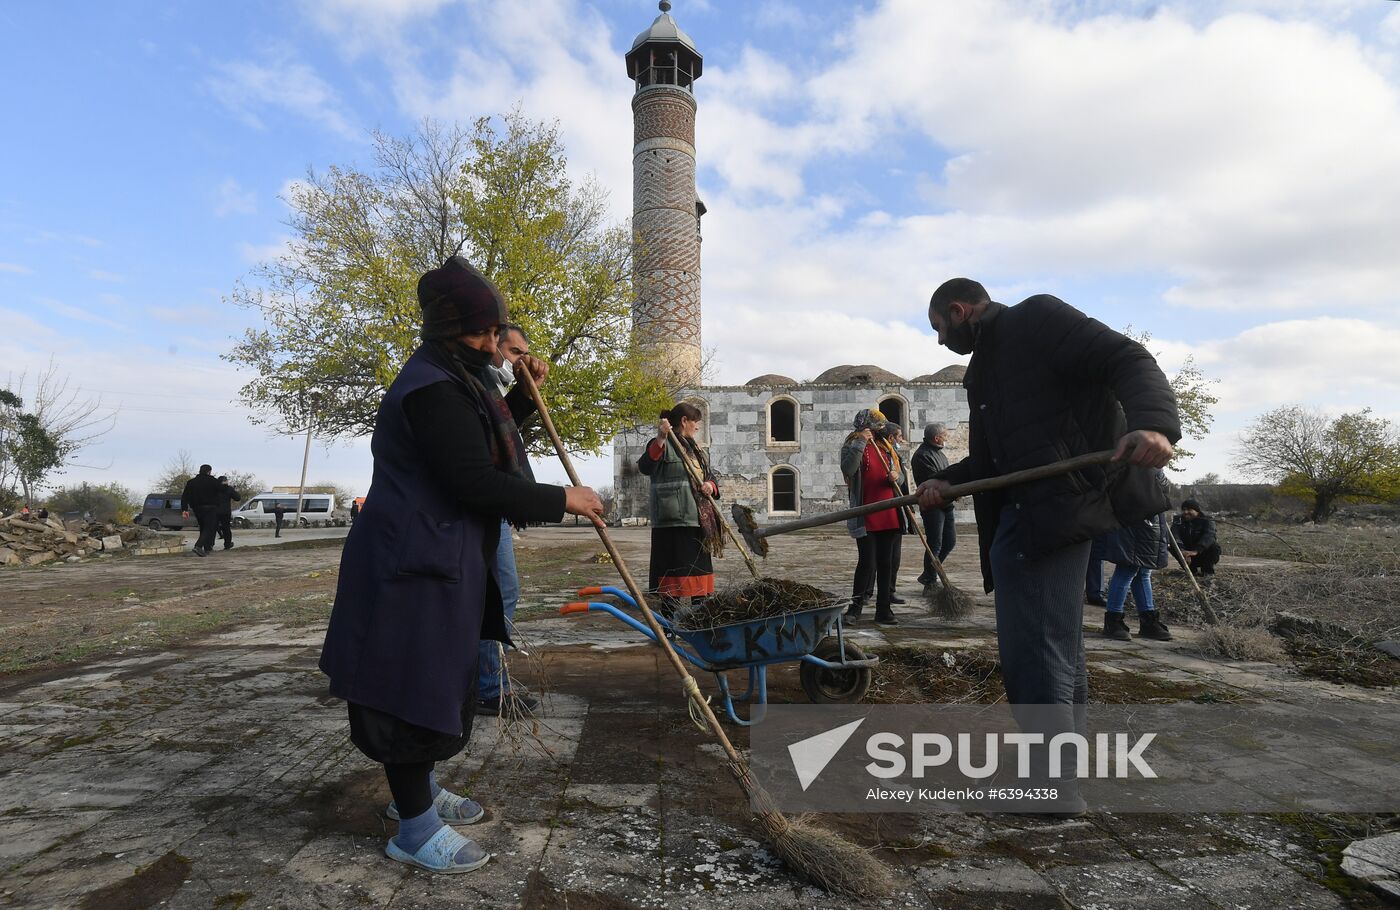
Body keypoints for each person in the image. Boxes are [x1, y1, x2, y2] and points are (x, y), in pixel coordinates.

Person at [319, 255, 604, 875]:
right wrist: (563, 499)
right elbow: (471, 479)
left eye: (496, 331)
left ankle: (416, 793)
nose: (493, 344)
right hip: (410, 563)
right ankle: (414, 828)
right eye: (482, 332)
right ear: (447, 330)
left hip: (436, 553)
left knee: (435, 678)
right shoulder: (432, 389)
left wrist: (522, 398)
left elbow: (477, 445)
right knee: (408, 686)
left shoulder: (457, 378)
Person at [916, 279, 1177, 811]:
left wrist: (1154, 424)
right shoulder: (986, 368)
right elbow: (996, 460)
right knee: (1056, 649)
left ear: (959, 310)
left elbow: (1127, 358)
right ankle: (1059, 777)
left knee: (1035, 652)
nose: (940, 341)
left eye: (939, 328)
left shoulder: (1035, 319)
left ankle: (1051, 786)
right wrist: (948, 481)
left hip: (1052, 511)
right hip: (1031, 511)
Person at [476, 322, 539, 718]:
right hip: (484, 506)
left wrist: (527, 392)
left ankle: (482, 681)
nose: (521, 361)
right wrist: (554, 501)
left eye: (525, 354)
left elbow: (504, 430)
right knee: (500, 594)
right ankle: (487, 686)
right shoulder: (477, 380)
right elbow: (487, 447)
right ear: (492, 345)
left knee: (499, 594)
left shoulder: (494, 387)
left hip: (494, 508)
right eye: (515, 352)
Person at [638, 401, 722, 608]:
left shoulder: (697, 450)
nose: (698, 427)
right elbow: (646, 466)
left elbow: (710, 476)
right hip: (672, 523)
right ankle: (669, 621)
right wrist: (661, 437)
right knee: (672, 581)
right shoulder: (663, 444)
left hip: (698, 522)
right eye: (695, 422)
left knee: (700, 579)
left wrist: (710, 486)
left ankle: (699, 618)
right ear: (684, 421)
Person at [841, 408, 908, 625]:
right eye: (876, 426)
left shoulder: (886, 446)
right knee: (867, 562)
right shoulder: (852, 444)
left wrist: (896, 477)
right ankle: (855, 608)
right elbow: (849, 469)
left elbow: (902, 476)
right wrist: (861, 441)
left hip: (889, 511)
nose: (880, 429)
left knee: (886, 563)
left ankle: (884, 609)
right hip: (866, 512)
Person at [1101, 479, 1172, 641]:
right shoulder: (1130, 466)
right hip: (1132, 519)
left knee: (1144, 571)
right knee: (1127, 568)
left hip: (1151, 521)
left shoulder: (1154, 469)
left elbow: (1163, 488)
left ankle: (1148, 620)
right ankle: (1113, 620)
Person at [912, 423, 957, 585]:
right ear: (936, 438)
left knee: (950, 541)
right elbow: (933, 479)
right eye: (945, 435)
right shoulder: (921, 456)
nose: (947, 438)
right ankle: (930, 580)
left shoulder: (939, 453)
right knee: (935, 544)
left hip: (947, 503)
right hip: (932, 505)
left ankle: (928, 573)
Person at [1172, 498, 1220, 581]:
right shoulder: (1178, 520)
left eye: (1189, 509)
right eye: (1184, 510)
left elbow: (1209, 536)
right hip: (1186, 554)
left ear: (1197, 511)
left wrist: (1196, 550)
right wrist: (1181, 550)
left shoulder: (1207, 520)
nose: (1186, 512)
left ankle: (1207, 572)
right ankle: (1191, 570)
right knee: (1172, 546)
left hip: (1201, 552)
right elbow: (1174, 535)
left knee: (1214, 546)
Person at [180, 465, 223, 557]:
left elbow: (185, 497)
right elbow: (222, 490)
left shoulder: (191, 482)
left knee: (203, 527)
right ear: (209, 471)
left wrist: (184, 509)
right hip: (210, 508)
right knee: (209, 527)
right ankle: (198, 546)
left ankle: (206, 548)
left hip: (197, 508)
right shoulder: (213, 481)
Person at [216, 475, 240, 551]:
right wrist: (235, 491)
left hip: (215, 511)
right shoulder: (229, 489)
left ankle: (209, 545)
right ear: (225, 481)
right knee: (226, 528)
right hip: (225, 511)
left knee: (213, 528)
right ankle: (227, 544)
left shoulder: (214, 488)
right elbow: (237, 498)